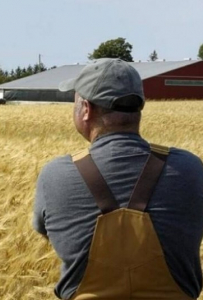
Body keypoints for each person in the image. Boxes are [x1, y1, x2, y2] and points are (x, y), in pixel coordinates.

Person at [32, 58, 203, 300]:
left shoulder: (55, 175)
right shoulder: (190, 168)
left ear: (86, 109)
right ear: (139, 108)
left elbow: (45, 231)